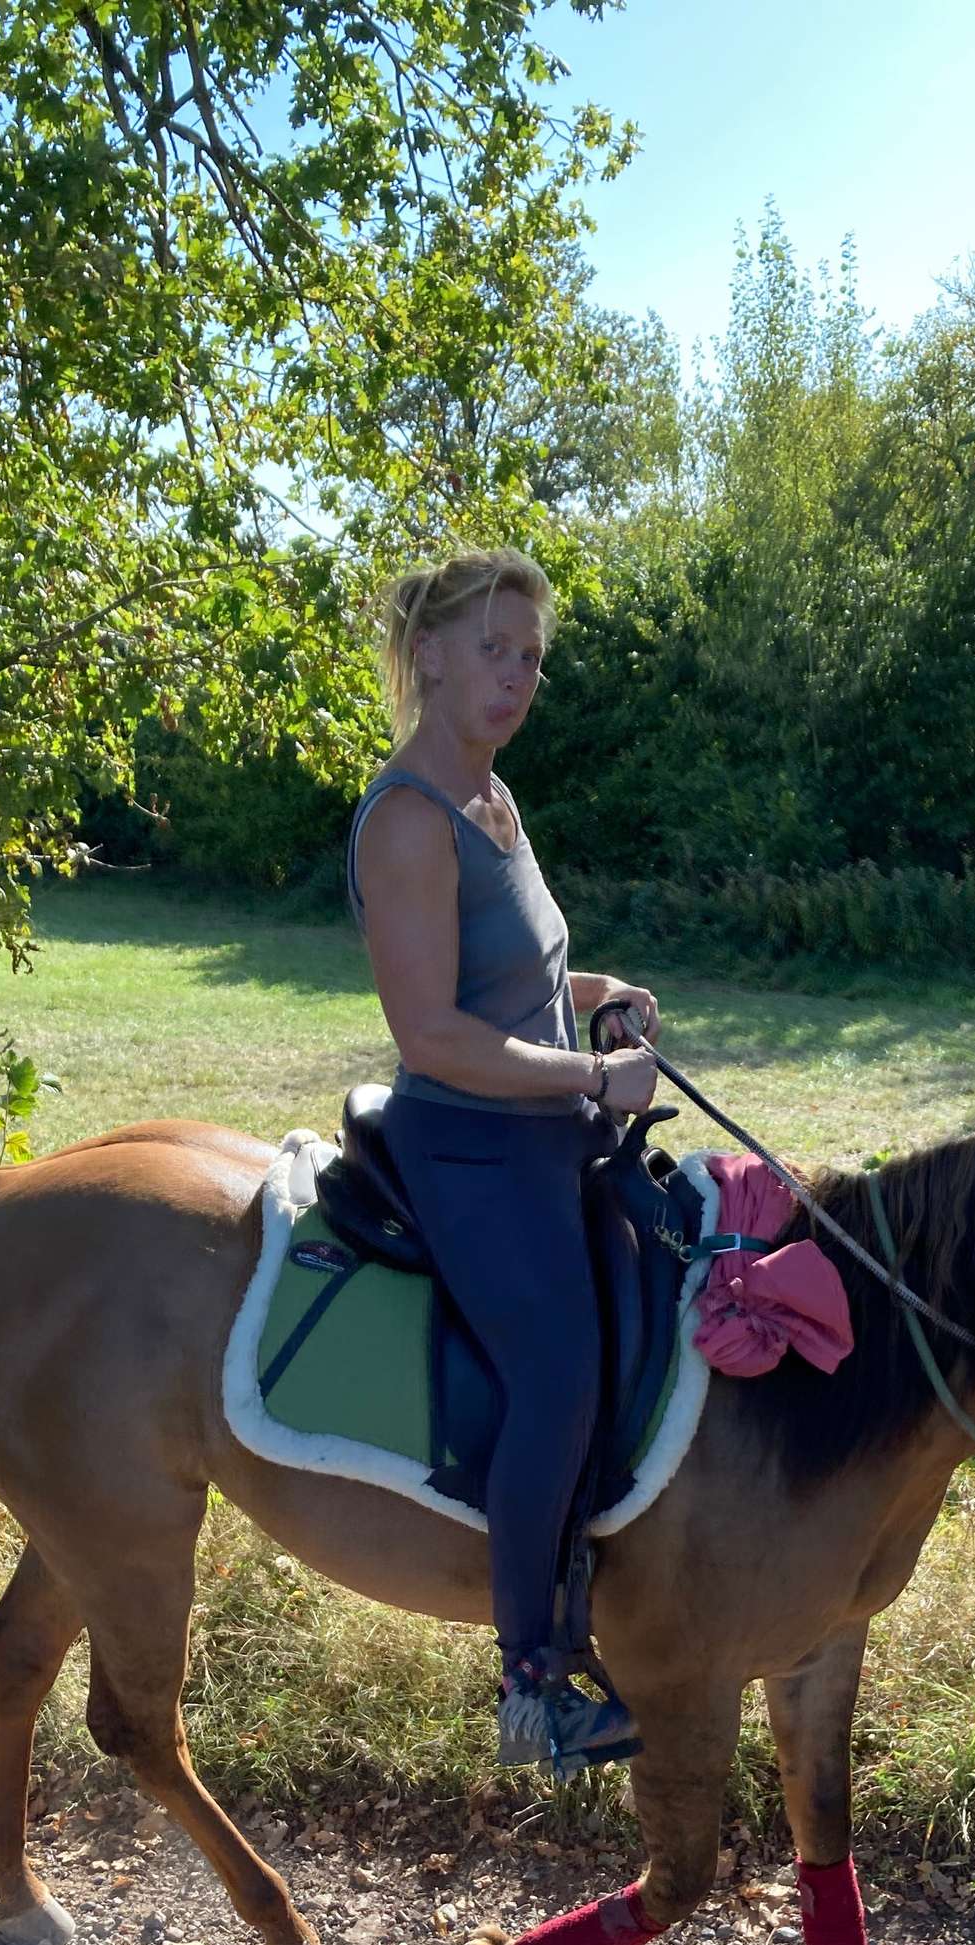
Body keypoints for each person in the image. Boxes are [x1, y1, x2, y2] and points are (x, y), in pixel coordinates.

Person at [347, 547, 664, 1772]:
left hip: (536, 1126)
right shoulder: (407, 820)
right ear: (428, 654)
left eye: (530, 657)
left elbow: (513, 980)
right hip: (467, 1143)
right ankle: (532, 1681)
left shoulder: (492, 798)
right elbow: (432, 1032)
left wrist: (599, 993)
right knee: (558, 1370)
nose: (517, 676)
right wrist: (590, 1076)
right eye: (494, 650)